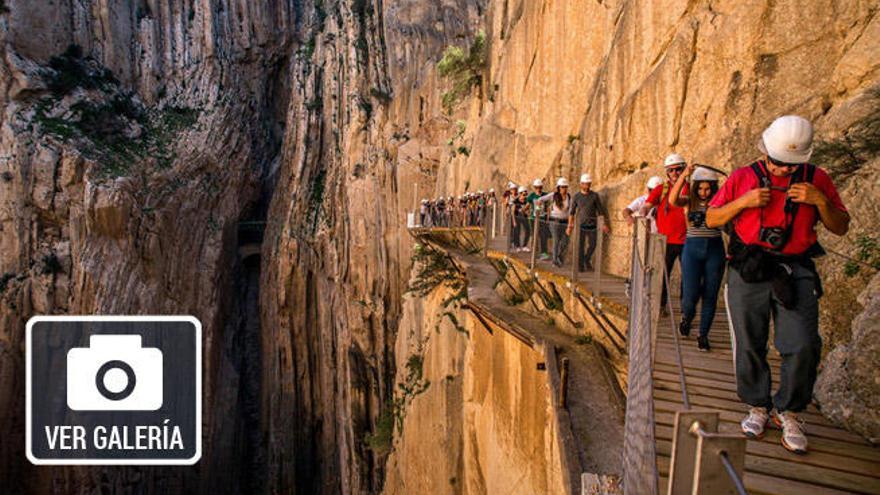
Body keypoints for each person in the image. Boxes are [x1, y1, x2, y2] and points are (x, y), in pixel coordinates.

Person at [706, 115, 849, 455]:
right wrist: (744, 202)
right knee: (749, 341)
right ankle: (757, 405)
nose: (783, 170)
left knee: (802, 343)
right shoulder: (743, 178)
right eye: (777, 163)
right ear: (766, 152)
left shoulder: (817, 180)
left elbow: (840, 225)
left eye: (790, 165)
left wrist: (820, 202)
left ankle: (790, 410)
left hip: (793, 268)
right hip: (749, 267)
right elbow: (712, 217)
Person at [669, 166, 724, 352]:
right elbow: (672, 199)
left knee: (710, 294)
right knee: (690, 295)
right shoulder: (689, 202)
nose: (703, 192)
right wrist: (684, 176)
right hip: (692, 249)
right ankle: (687, 317)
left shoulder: (720, 203)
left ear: (714, 188)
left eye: (707, 189)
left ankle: (703, 335)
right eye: (700, 188)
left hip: (714, 249)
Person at [641, 153, 689, 314]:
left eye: (678, 170)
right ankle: (661, 306)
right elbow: (647, 205)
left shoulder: (690, 188)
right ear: (667, 173)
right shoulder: (661, 190)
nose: (674, 173)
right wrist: (641, 216)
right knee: (663, 275)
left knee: (687, 277)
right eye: (671, 170)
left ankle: (685, 308)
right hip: (666, 240)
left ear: (683, 170)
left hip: (686, 240)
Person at [567, 173, 610, 272]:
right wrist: (569, 226)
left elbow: (600, 211)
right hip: (581, 225)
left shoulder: (594, 196)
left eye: (589, 184)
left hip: (592, 225)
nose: (587, 186)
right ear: (581, 184)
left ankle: (586, 259)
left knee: (593, 244)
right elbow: (572, 212)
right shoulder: (577, 196)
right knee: (580, 246)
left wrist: (604, 224)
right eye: (585, 184)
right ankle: (580, 267)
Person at [535, 178, 572, 267]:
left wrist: (570, 224)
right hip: (554, 221)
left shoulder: (569, 197)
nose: (564, 189)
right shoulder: (553, 195)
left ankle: (559, 257)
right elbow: (540, 199)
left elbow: (571, 210)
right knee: (556, 240)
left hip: (565, 221)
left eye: (565, 187)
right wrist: (538, 209)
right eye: (562, 187)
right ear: (558, 187)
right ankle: (555, 261)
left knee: (565, 241)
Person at [527, 179, 551, 260]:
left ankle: (544, 253)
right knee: (535, 236)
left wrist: (548, 218)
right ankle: (534, 252)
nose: (538, 189)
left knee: (543, 236)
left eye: (540, 187)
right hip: (534, 219)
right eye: (537, 187)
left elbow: (548, 207)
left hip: (542, 218)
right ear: (534, 187)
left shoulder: (545, 195)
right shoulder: (532, 196)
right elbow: (528, 205)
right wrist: (524, 211)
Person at [510, 186, 532, 252]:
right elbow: (512, 212)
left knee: (528, 230)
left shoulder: (527, 201)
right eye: (523, 194)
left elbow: (529, 210)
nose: (525, 195)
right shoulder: (515, 201)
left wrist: (528, 213)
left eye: (526, 194)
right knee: (517, 231)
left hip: (524, 217)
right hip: (517, 217)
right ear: (520, 193)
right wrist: (514, 221)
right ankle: (517, 246)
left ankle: (524, 245)